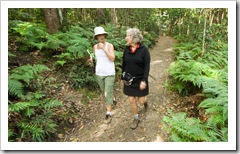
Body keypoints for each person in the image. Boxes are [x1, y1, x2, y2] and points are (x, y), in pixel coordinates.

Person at [121, 28, 150, 130]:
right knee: (131, 100)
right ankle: (136, 118)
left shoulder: (144, 50)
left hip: (140, 80)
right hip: (129, 80)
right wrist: (122, 77)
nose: (126, 38)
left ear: (134, 37)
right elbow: (123, 64)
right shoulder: (126, 49)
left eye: (127, 36)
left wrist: (144, 80)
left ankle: (145, 102)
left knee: (141, 101)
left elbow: (147, 67)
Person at [89, 26, 116, 124]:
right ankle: (112, 99)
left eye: (102, 35)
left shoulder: (109, 45)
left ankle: (108, 112)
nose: (101, 37)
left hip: (109, 72)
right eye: (98, 35)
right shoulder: (95, 47)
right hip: (99, 73)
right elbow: (94, 56)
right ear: (96, 37)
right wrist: (91, 58)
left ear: (105, 35)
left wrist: (104, 48)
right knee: (104, 91)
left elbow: (112, 58)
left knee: (107, 93)